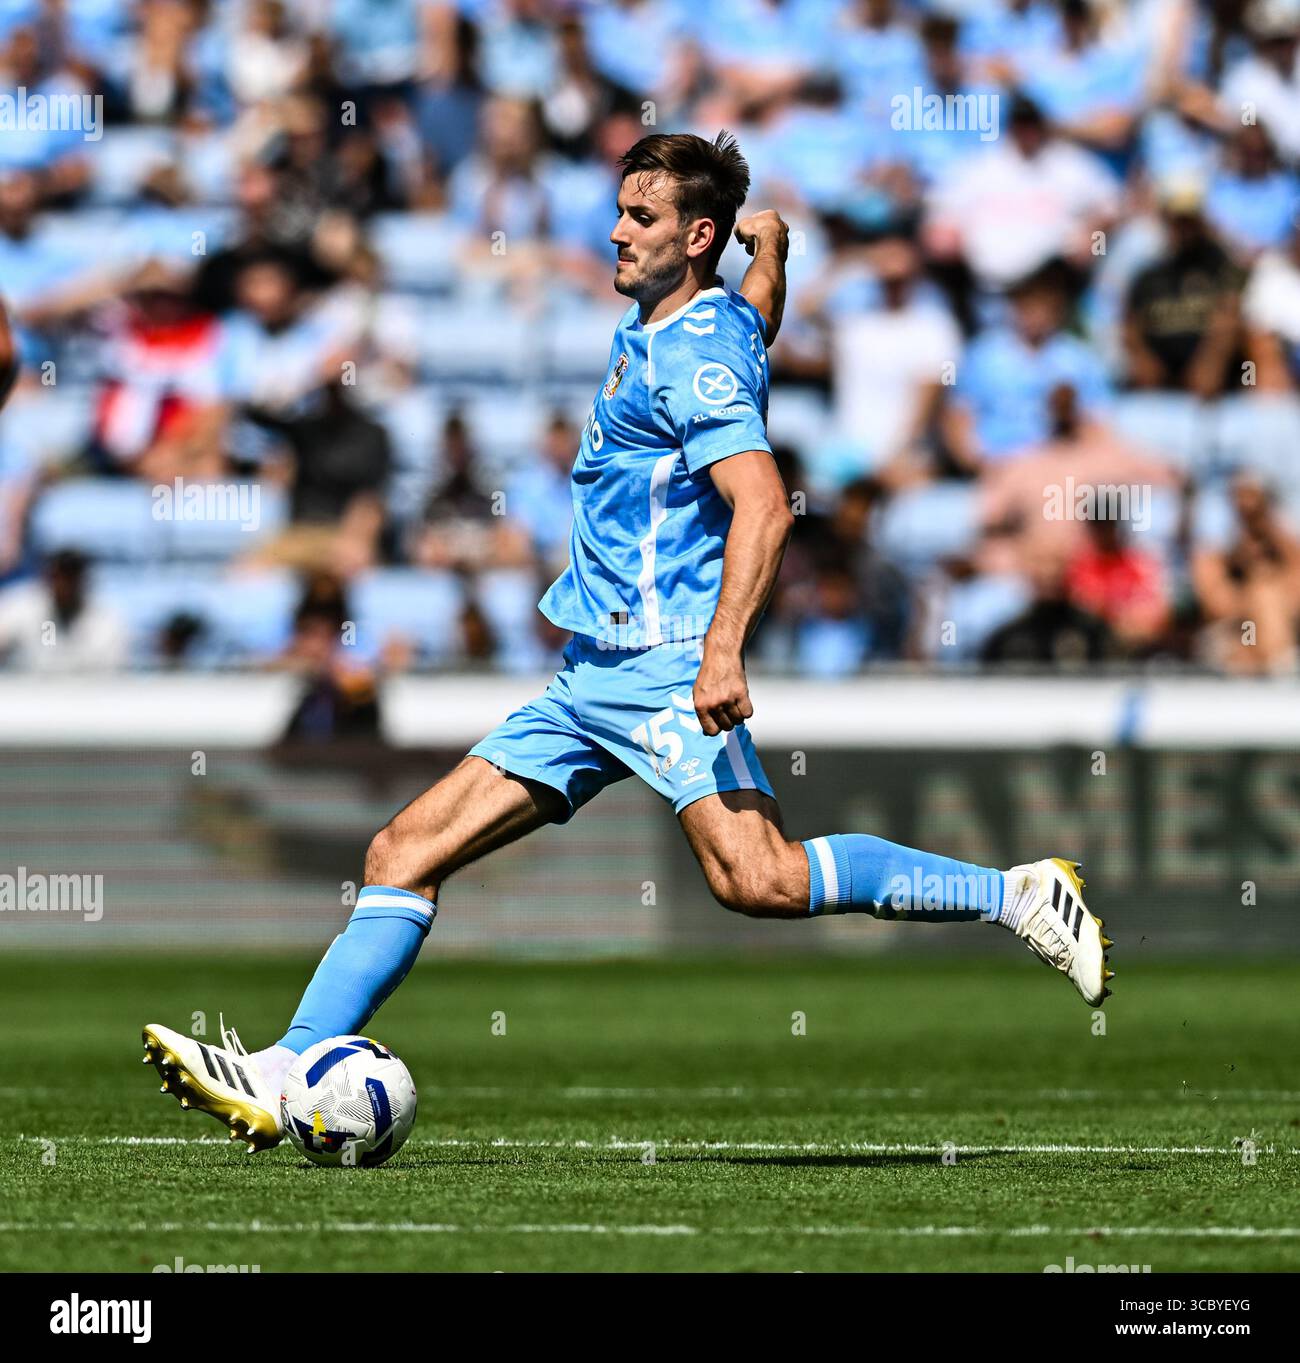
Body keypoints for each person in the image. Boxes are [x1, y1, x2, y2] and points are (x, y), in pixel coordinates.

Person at [142, 132, 1113, 1153]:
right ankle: (287, 1065)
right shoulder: (708, 320)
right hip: (586, 676)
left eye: (639, 218)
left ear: (695, 236)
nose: (614, 230)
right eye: (617, 211)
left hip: (661, 663)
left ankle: (1015, 893)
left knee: (760, 880)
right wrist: (770, 252)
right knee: (403, 848)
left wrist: (723, 651)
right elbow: (758, 321)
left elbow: (765, 504)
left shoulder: (691, 354)